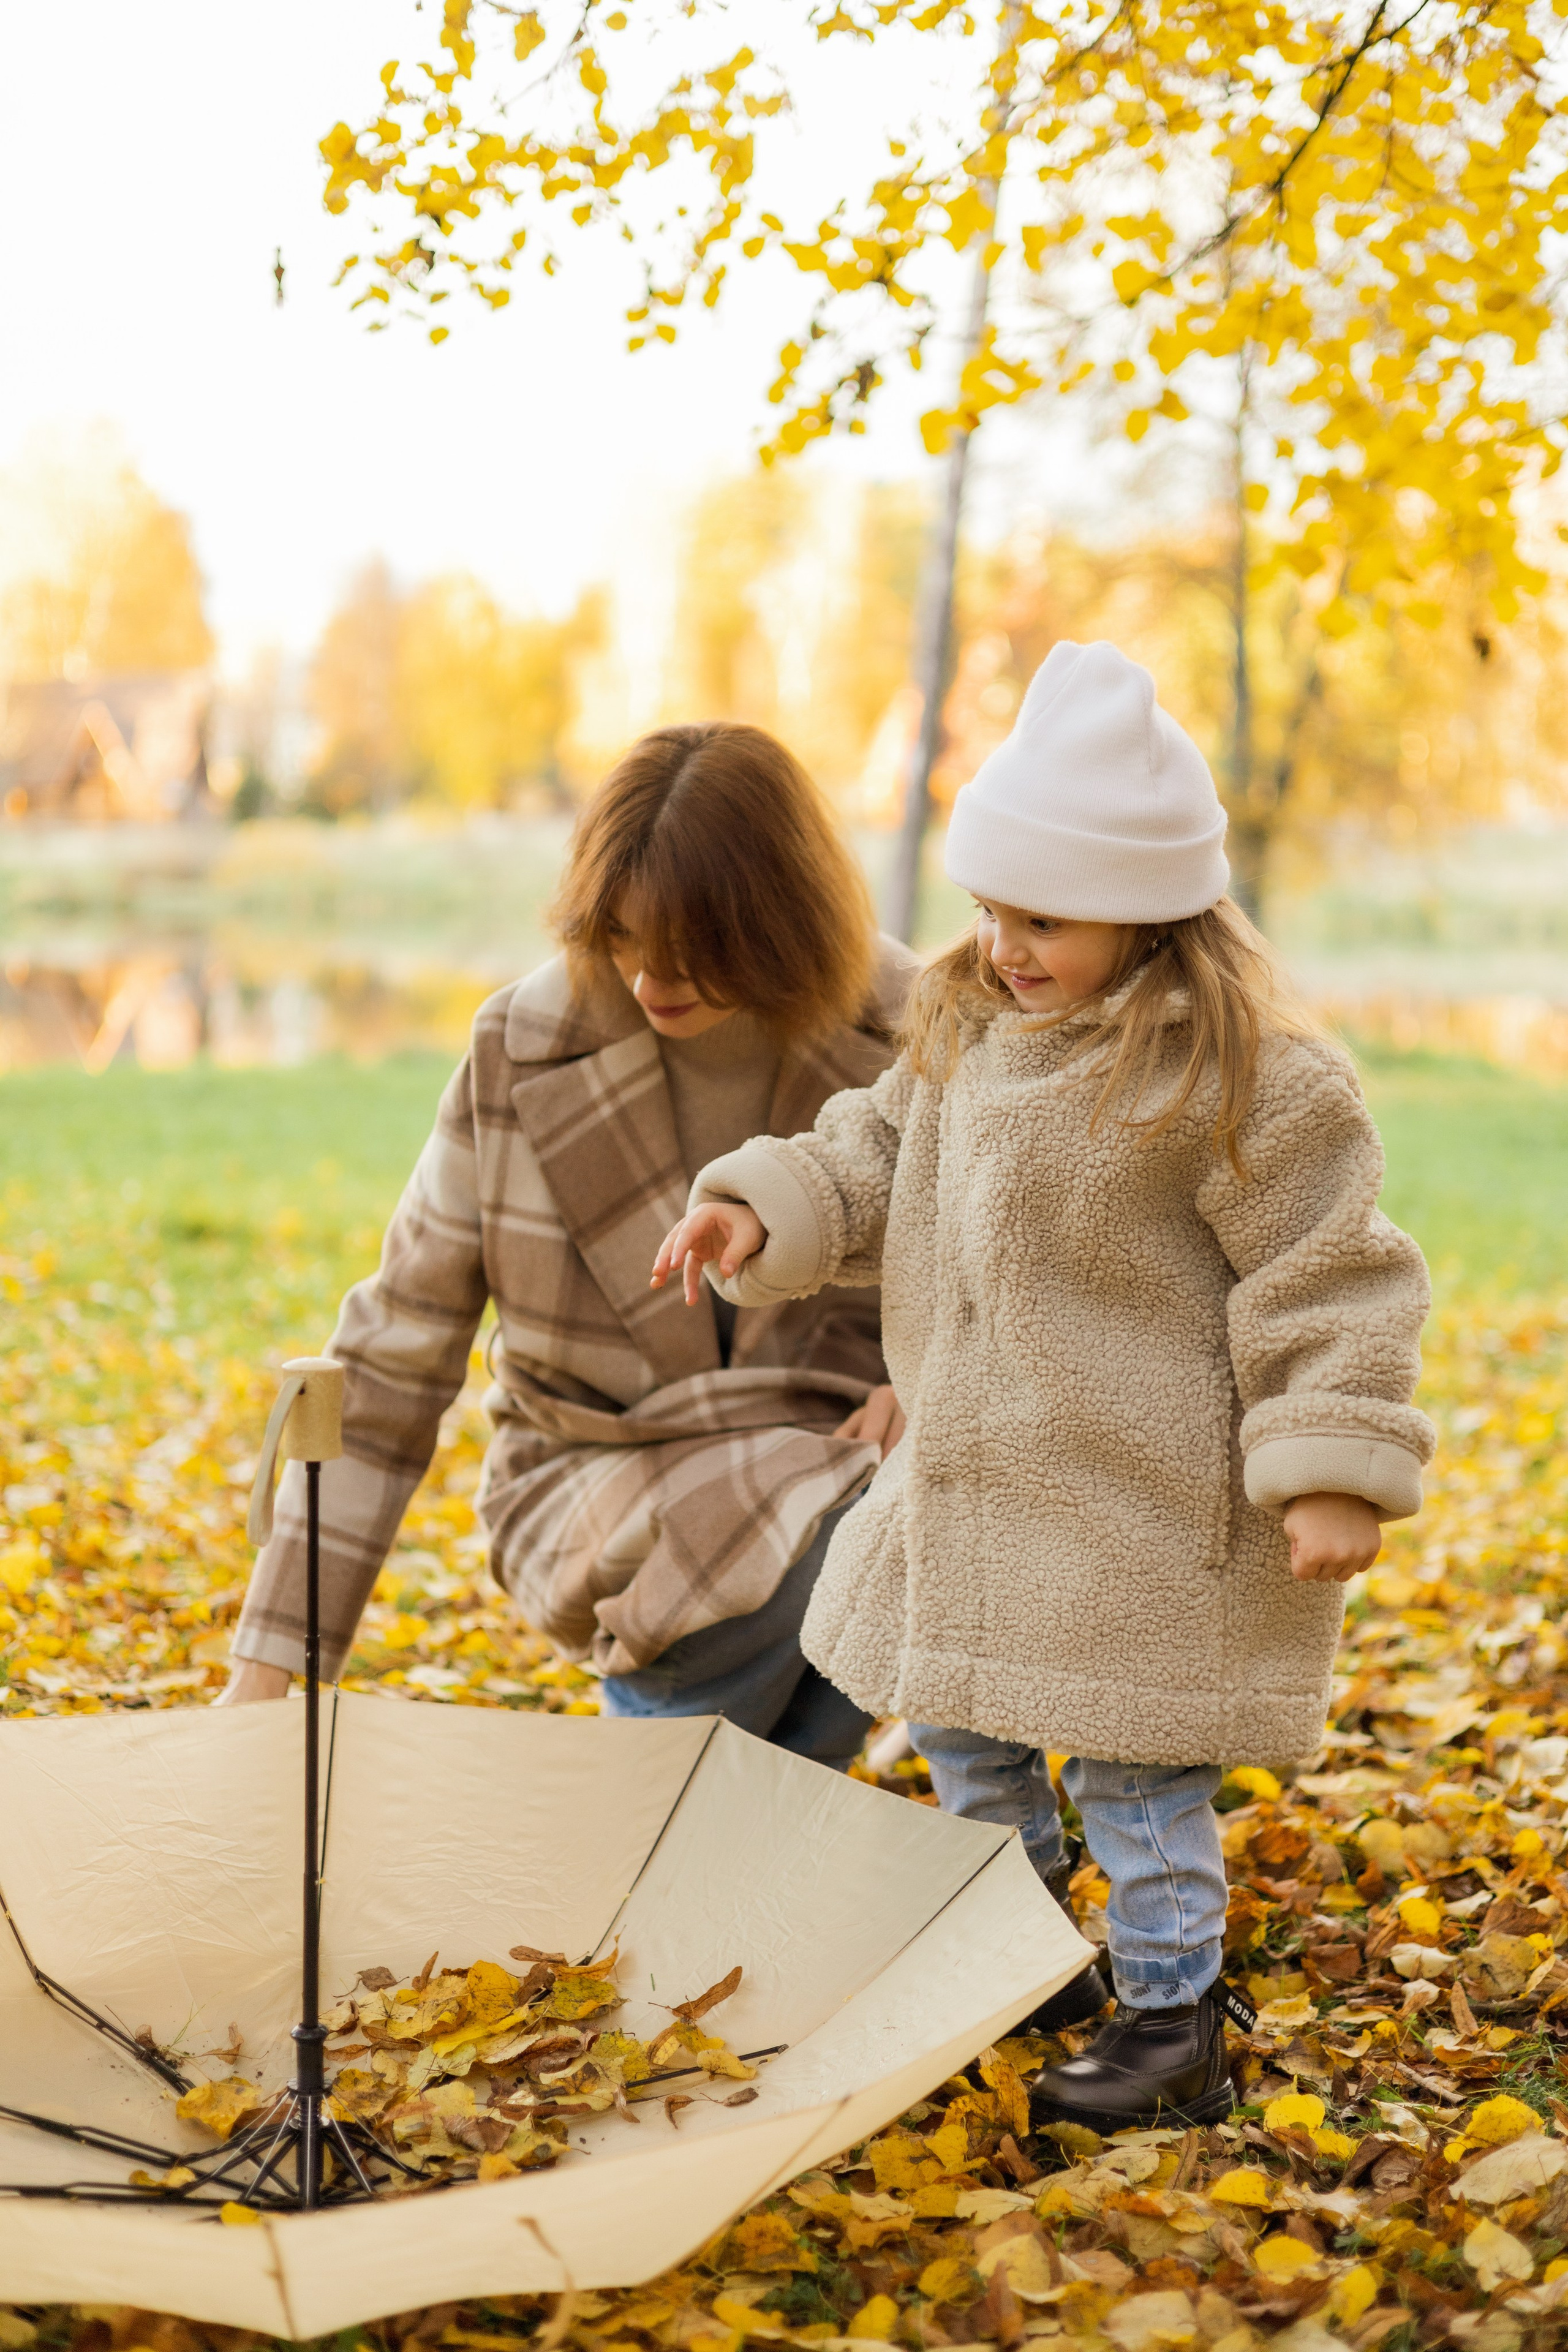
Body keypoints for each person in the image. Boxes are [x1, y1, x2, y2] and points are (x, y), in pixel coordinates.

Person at [651, 640, 1434, 2128]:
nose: (1007, 944)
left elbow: (1324, 1270)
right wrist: (764, 1208)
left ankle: (1168, 2021)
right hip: (981, 1485)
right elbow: (870, 1152)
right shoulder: (969, 1036)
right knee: (961, 1729)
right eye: (992, 911)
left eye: (1045, 919)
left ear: (1150, 912)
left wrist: (1330, 1459)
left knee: (1137, 1782)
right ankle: (1025, 1951)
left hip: (1137, 1500)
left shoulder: (1238, 1079)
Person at [220, 721, 913, 1771]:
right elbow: (394, 1352)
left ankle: (725, 1807)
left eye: (693, 948)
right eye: (625, 936)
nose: (649, 979)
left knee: (907, 1507)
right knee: (825, 1531)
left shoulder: (914, 1028)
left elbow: (1029, 1266)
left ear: (781, 920)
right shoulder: (520, 1048)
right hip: (596, 1466)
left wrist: (936, 1384)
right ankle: (679, 1795)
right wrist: (270, 1666)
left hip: (850, 1458)